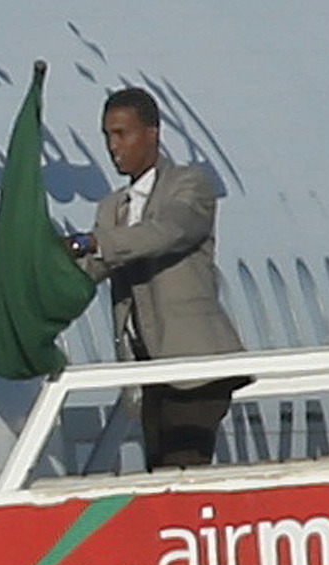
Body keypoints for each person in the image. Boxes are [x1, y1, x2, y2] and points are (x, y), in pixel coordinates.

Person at [67, 87, 246, 470]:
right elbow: (93, 270)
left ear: (152, 133)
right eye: (107, 136)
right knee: (160, 471)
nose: (113, 147)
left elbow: (169, 231)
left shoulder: (190, 185)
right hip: (149, 370)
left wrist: (98, 242)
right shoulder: (113, 207)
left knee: (182, 470)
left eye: (122, 134)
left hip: (194, 368)